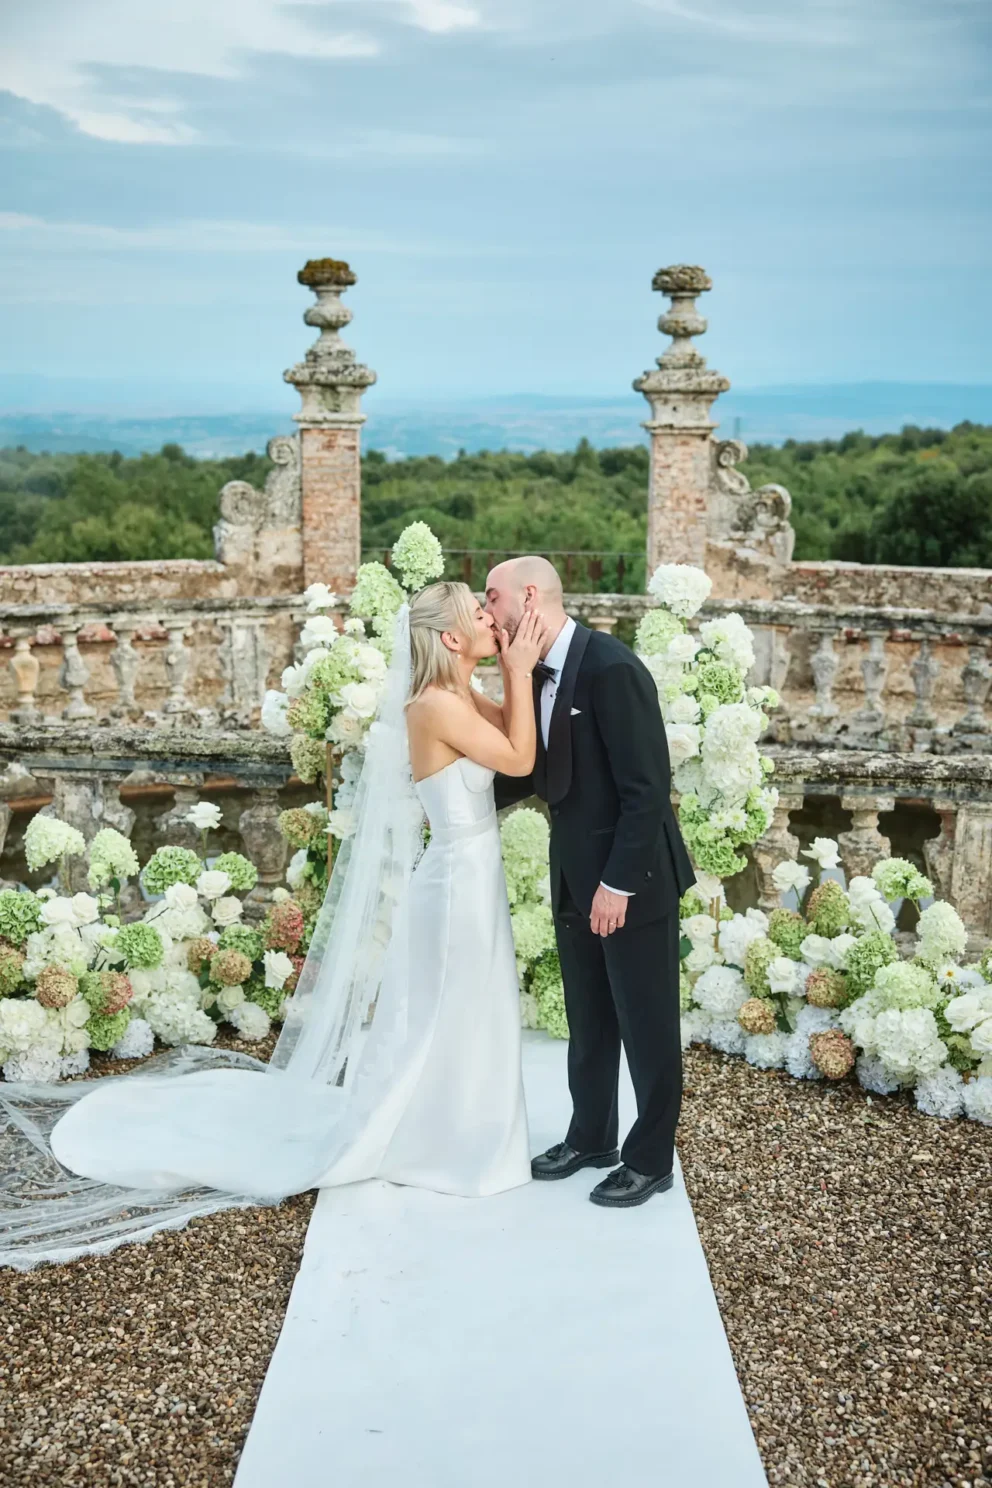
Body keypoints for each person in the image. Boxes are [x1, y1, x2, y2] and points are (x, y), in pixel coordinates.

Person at [0, 583, 547, 1269]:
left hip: (471, 873)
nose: (492, 619)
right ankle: (441, 1139)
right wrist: (520, 669)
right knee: (454, 1002)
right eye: (479, 614)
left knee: (468, 1004)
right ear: (452, 639)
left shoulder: (461, 692)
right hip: (456, 880)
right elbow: (520, 759)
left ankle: (460, 1127)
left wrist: (514, 673)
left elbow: (514, 734)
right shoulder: (435, 704)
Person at [485, 556, 697, 1209]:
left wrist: (619, 885)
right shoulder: (533, 670)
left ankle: (650, 1160)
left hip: (632, 882)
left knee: (647, 1024)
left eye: (491, 599)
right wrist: (454, 795)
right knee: (589, 1018)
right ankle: (591, 1137)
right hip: (573, 874)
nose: (487, 612)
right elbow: (532, 769)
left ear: (528, 596)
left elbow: (646, 789)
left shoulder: (612, 668)